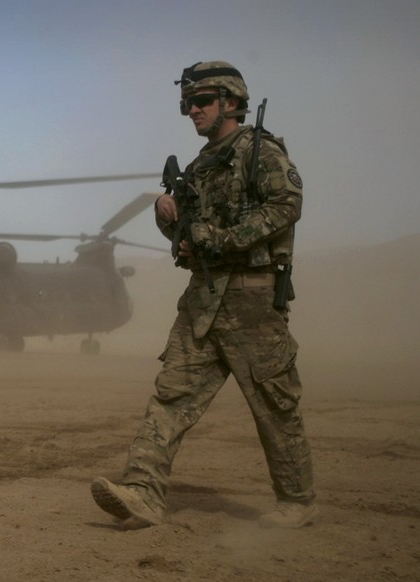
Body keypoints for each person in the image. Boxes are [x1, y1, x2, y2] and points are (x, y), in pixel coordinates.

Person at [91, 61, 316, 529]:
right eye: (187, 103)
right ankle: (142, 492)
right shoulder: (199, 166)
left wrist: (222, 238)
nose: (192, 110)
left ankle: (297, 502)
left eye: (203, 101)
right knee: (170, 398)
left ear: (230, 102)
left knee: (274, 406)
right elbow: (188, 235)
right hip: (202, 300)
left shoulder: (261, 152)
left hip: (252, 300)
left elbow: (287, 206)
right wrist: (166, 213)